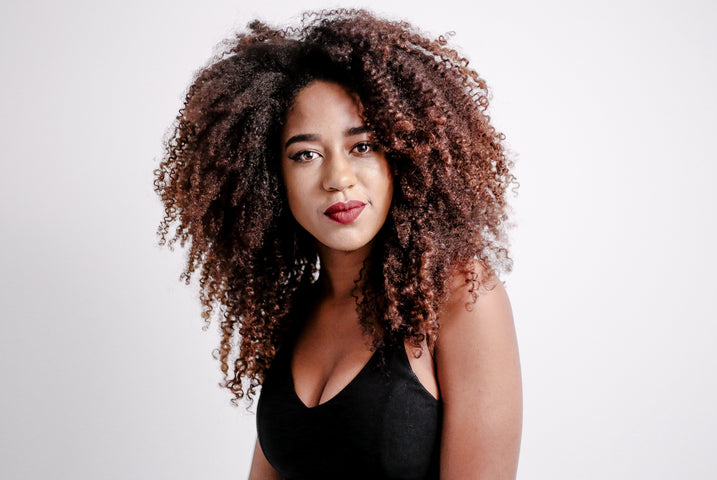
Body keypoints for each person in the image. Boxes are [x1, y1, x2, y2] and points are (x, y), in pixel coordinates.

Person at [154, 9, 521, 480]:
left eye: (363, 146)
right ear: (270, 180)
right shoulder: (296, 311)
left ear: (402, 155)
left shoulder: (460, 296)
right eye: (305, 155)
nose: (338, 179)